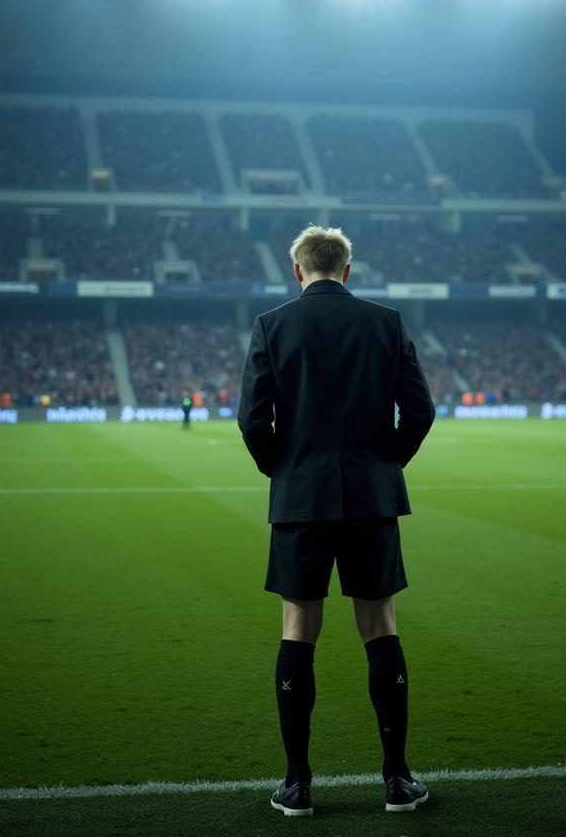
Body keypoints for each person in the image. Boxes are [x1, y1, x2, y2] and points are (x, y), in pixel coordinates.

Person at [238, 224, 435, 818]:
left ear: (298, 271)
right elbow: (421, 410)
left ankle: (297, 785)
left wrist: (288, 470)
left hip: (301, 501)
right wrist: (384, 463)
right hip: (371, 499)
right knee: (380, 627)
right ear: (347, 270)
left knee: (299, 628)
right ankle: (397, 781)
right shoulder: (388, 322)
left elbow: (252, 420)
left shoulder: (272, 325)